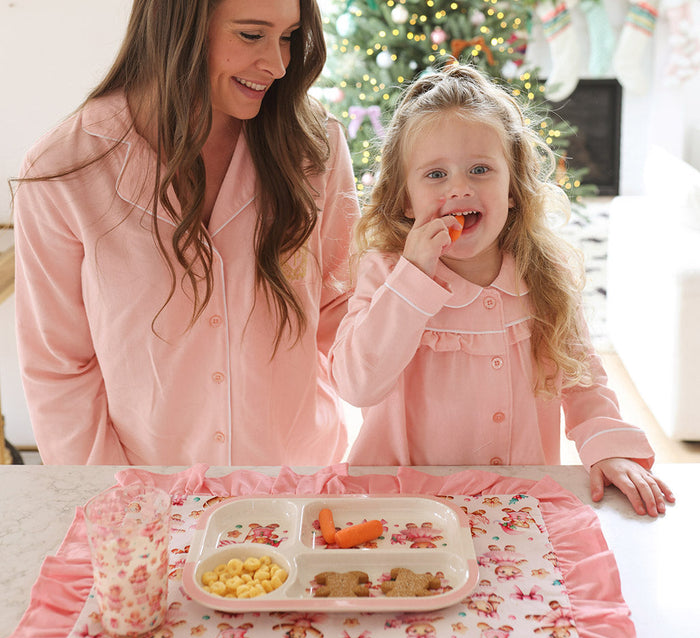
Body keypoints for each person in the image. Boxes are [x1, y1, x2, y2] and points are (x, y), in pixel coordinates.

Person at [13, 0, 359, 466]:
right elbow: (60, 370)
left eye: (289, 37)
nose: (278, 66)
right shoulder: (65, 170)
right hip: (146, 500)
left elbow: (345, 313)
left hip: (301, 484)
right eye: (252, 35)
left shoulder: (316, 146)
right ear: (176, 24)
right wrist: (115, 505)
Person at [328, 64, 674, 517]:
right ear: (406, 199)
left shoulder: (543, 275)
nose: (459, 187)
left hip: (515, 506)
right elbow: (357, 385)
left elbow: (583, 379)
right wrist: (412, 277)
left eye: (480, 169)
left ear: (512, 187)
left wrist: (608, 446)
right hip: (400, 506)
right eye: (435, 175)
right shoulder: (386, 272)